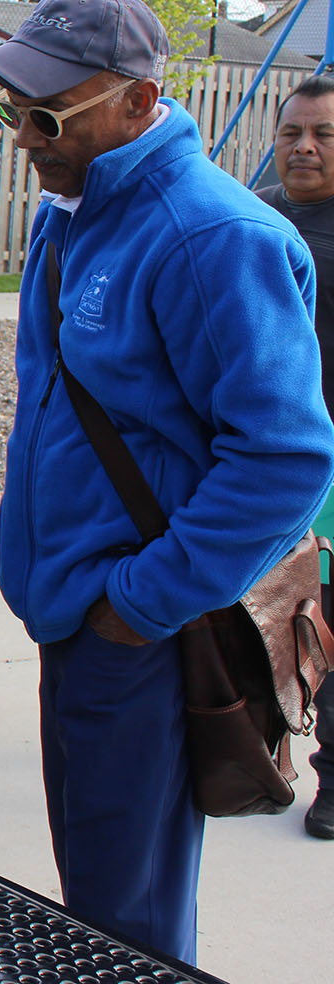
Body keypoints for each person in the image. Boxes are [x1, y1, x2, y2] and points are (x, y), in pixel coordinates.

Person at [0, 0, 334, 961]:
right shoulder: (75, 209)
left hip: (135, 629)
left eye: (49, 115)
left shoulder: (210, 238)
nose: (25, 137)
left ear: (140, 102)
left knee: (125, 913)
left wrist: (139, 603)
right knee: (97, 884)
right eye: (13, 110)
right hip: (79, 613)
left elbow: (285, 456)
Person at [258, 73, 334, 841]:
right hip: (263, 462)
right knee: (263, 615)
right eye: (292, 133)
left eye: (325, 135)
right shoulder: (257, 219)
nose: (305, 147)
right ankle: (258, 748)